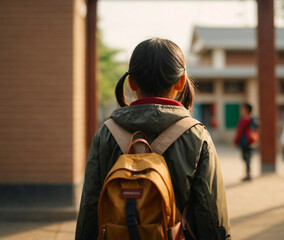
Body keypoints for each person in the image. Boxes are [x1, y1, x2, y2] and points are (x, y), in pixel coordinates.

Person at [75, 38, 230, 240]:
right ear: (182, 81)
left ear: (131, 82)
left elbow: (90, 206)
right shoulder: (196, 135)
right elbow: (210, 214)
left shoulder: (106, 133)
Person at [234, 103, 254, 181]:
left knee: (246, 158)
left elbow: (240, 132)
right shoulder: (252, 119)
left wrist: (236, 141)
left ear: (246, 110)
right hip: (252, 141)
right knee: (249, 158)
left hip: (244, 142)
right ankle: (248, 174)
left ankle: (248, 175)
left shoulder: (243, 120)